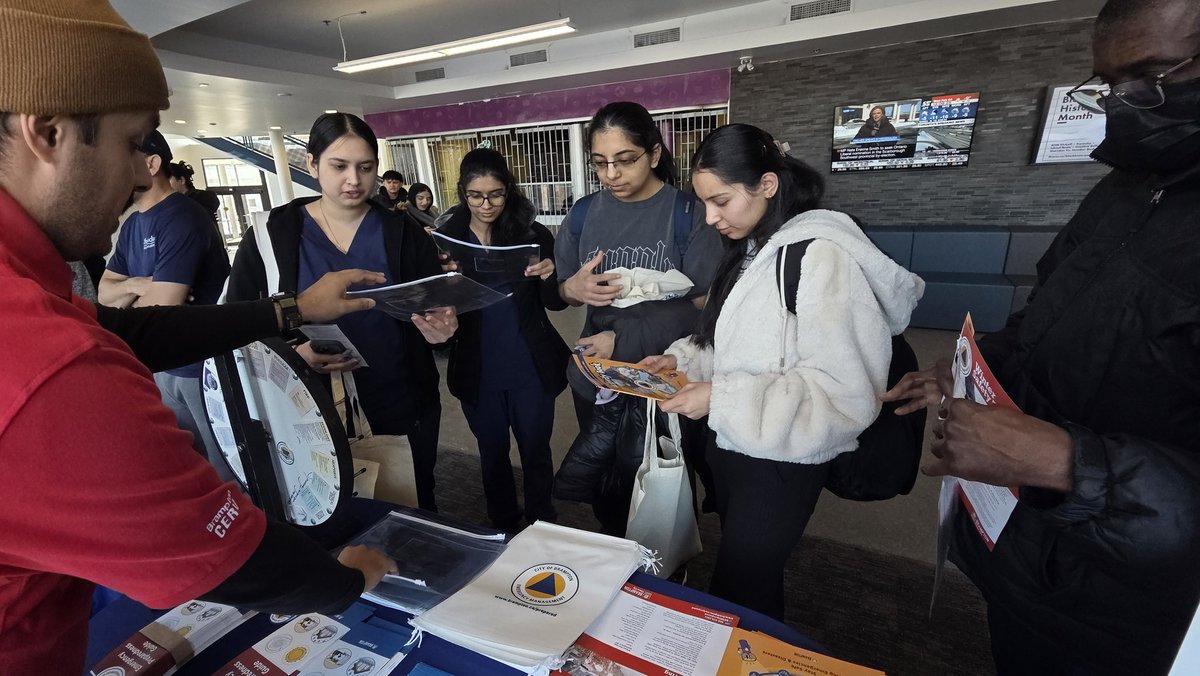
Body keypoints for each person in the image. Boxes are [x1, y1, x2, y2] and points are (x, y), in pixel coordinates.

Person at [0, 2, 400, 673]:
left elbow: (121, 324)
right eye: (135, 143)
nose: (142, 175)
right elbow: (225, 555)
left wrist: (286, 310)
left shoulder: (30, 295)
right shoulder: (53, 366)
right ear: (48, 132)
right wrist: (348, 579)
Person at [882, 1, 1200, 674]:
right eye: (1108, 84)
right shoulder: (1123, 190)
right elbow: (1048, 321)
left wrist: (1067, 463)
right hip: (1037, 557)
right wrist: (976, 369)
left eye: (1152, 76)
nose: (1124, 103)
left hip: (1142, 615)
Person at [640, 124, 922, 619]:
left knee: (741, 588)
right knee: (749, 580)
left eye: (721, 201)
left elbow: (844, 394)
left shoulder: (821, 256)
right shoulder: (756, 246)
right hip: (733, 446)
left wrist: (720, 399)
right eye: (705, 202)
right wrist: (682, 360)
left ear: (767, 185)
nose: (710, 217)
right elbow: (743, 347)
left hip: (781, 462)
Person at [226, 112, 455, 512]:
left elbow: (432, 306)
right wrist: (291, 357)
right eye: (339, 166)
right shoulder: (273, 234)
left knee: (409, 503)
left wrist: (443, 330)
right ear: (312, 164)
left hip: (398, 397)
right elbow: (236, 324)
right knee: (323, 506)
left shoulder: (401, 233)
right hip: (307, 402)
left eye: (365, 168)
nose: (354, 180)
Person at [553, 101, 723, 535]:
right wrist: (571, 289)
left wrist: (625, 338)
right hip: (598, 374)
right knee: (607, 481)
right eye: (600, 163)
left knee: (662, 484)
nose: (612, 174)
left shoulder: (688, 214)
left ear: (653, 153)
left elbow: (707, 304)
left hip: (665, 373)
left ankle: (662, 569)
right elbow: (565, 291)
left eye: (625, 160)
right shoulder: (584, 213)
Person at [437, 148, 569, 533]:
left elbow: (553, 304)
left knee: (535, 451)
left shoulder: (532, 233)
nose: (486, 204)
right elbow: (437, 307)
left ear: (508, 190)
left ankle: (543, 521)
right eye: (476, 195)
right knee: (491, 453)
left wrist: (550, 276)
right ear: (463, 192)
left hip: (528, 363)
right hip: (479, 366)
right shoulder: (447, 239)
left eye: (495, 194)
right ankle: (503, 524)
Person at [99, 130, 233, 477]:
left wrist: (133, 297)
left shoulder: (182, 217)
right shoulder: (132, 225)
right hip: (161, 366)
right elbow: (103, 293)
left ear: (152, 164)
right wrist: (139, 284)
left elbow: (163, 310)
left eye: (125, 154)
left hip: (201, 367)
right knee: (191, 465)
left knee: (227, 467)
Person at [167, 159, 221, 225]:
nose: (164, 184)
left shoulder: (202, 199)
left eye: (168, 180)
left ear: (182, 180)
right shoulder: (174, 203)